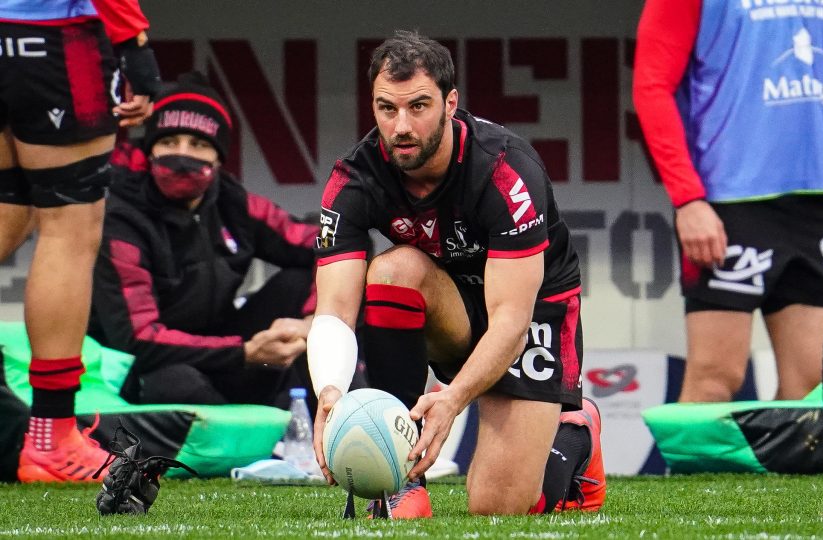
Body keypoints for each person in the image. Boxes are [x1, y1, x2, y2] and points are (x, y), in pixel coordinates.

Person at [307, 31, 604, 517]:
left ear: (450, 103)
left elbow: (510, 318)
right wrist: (330, 391)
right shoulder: (353, 180)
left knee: (497, 507)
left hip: (529, 310)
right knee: (393, 271)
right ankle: (406, 478)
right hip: (451, 306)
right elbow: (335, 310)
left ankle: (575, 436)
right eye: (387, 109)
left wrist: (452, 399)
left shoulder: (505, 172)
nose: (401, 126)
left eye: (418, 106)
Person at [633, 0, 823, 402]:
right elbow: (652, 85)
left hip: (813, 202)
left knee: (813, 382)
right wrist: (688, 199)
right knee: (716, 377)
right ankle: (690, 469)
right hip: (728, 203)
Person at [88, 72, 319, 412]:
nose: (182, 155)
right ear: (150, 149)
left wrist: (314, 322)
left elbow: (332, 245)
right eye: (169, 142)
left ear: (218, 158)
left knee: (307, 282)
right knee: (175, 384)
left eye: (198, 145)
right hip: (148, 369)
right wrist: (243, 352)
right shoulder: (121, 218)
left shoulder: (233, 203)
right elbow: (136, 338)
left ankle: (344, 427)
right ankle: (252, 439)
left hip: (224, 357)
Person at [1, 0, 160, 483]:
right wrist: (134, 46)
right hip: (51, 35)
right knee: (69, 227)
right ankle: (51, 436)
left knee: (11, 207)